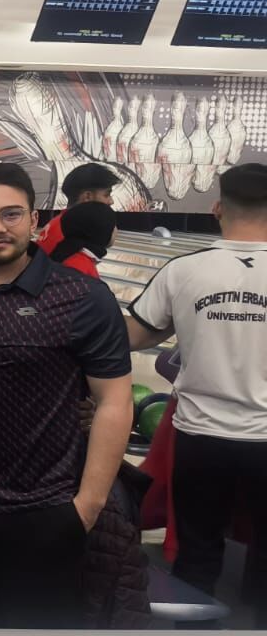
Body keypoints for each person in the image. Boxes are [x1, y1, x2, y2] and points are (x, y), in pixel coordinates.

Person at [0, 162, 133, 628]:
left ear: (34, 220)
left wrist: (87, 507)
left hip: (41, 513)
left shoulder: (82, 297)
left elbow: (115, 402)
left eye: (11, 214)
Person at [126, 162, 267, 629]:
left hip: (200, 438)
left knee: (198, 549)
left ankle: (195, 628)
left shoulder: (184, 270)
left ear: (217, 208)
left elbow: (134, 335)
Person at [38, 162, 119, 254]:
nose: (111, 201)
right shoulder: (68, 237)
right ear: (87, 196)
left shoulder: (62, 226)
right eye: (107, 195)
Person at [47, 200, 118, 280]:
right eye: (113, 225)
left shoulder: (67, 252)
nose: (116, 230)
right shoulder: (79, 267)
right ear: (102, 231)